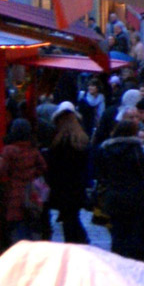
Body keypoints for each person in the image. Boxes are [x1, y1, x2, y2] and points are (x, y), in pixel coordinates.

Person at [94, 112, 144, 261]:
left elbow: (101, 173)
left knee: (117, 231)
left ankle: (118, 261)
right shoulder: (136, 150)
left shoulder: (106, 149)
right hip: (135, 194)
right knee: (135, 230)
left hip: (113, 194)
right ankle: (135, 263)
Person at [0, 119, 48, 247]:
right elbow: (43, 167)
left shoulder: (9, 150)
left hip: (15, 192)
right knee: (31, 224)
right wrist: (32, 174)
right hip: (32, 193)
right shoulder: (32, 149)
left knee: (17, 226)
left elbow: (2, 171)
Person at [46, 104, 91, 244]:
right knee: (72, 216)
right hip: (77, 186)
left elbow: (52, 166)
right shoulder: (82, 140)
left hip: (61, 187)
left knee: (68, 218)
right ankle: (80, 240)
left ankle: (76, 242)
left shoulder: (57, 142)